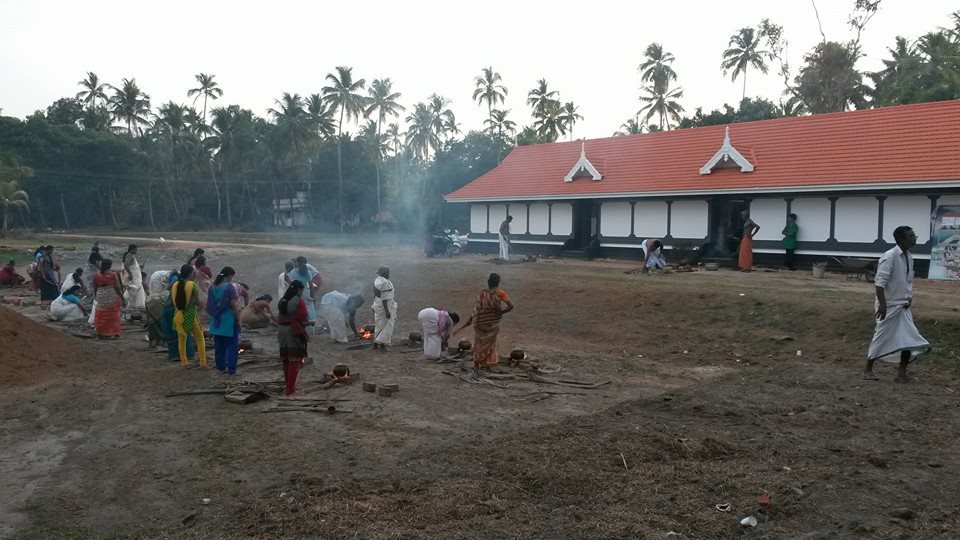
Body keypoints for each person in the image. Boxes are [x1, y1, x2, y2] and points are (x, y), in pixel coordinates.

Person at [861, 226, 931, 383]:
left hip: (903, 306)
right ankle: (867, 369)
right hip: (889, 305)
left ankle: (901, 373)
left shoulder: (909, 257)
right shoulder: (890, 256)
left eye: (915, 235)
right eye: (911, 236)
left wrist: (908, 296)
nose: (915, 238)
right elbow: (879, 283)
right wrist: (883, 305)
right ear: (901, 239)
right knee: (881, 335)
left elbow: (907, 281)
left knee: (908, 338)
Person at [456, 273, 514, 369]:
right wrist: (501, 312)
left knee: (479, 342)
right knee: (491, 343)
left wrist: (471, 318)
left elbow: (477, 307)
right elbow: (511, 306)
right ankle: (489, 363)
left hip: (480, 321)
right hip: (493, 323)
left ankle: (477, 362)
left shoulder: (482, 292)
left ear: (489, 282)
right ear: (498, 282)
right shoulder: (500, 293)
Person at [277, 280, 315, 395]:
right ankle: (290, 389)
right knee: (295, 361)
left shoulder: (282, 301)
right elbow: (301, 320)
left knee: (286, 359)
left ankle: (288, 385)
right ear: (299, 290)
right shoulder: (298, 302)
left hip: (282, 331)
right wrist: (312, 322)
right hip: (292, 332)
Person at [207, 266, 243, 375]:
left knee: (219, 344)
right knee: (232, 345)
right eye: (232, 276)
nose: (232, 279)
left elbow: (209, 305)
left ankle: (220, 366)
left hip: (216, 320)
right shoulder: (229, 287)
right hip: (228, 319)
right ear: (229, 276)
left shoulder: (212, 287)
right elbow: (233, 305)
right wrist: (239, 320)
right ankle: (231, 369)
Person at [171, 264, 207, 369]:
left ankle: (184, 363)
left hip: (178, 316)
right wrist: (202, 306)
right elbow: (197, 302)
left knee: (181, 339)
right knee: (200, 338)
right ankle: (203, 364)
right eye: (193, 273)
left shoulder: (175, 285)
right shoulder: (193, 285)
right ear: (190, 274)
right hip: (191, 315)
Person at [160, 272, 195, 362]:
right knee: (183, 333)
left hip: (168, 312)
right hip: (176, 312)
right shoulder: (186, 286)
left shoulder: (176, 285)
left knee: (174, 334)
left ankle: (175, 355)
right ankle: (185, 354)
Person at [286, 257, 322, 334]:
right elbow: (311, 286)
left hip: (297, 294)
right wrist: (312, 296)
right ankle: (311, 332)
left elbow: (289, 284)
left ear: (297, 263)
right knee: (311, 313)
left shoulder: (292, 272)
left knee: (299, 312)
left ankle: (299, 330)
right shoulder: (308, 272)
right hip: (306, 293)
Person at [92, 258, 124, 339]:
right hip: (111, 296)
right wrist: (122, 298)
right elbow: (117, 288)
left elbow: (95, 288)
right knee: (114, 315)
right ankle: (116, 334)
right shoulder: (113, 274)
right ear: (110, 265)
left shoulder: (96, 274)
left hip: (101, 295)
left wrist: (96, 296)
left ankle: (100, 333)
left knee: (100, 314)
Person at [372, 267, 397, 351]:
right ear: (385, 273)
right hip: (384, 305)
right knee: (386, 325)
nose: (389, 274)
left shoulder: (377, 280)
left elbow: (375, 294)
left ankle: (375, 344)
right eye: (388, 272)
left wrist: (374, 304)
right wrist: (387, 311)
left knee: (379, 324)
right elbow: (384, 298)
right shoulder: (384, 283)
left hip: (377, 303)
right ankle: (382, 345)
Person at [121, 244, 146, 311]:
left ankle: (133, 305)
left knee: (134, 290)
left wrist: (139, 267)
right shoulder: (129, 256)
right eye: (135, 249)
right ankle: (125, 302)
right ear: (132, 250)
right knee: (132, 290)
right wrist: (130, 274)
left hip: (136, 277)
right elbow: (126, 265)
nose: (136, 251)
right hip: (134, 277)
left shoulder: (131, 256)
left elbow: (131, 266)